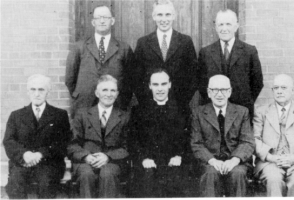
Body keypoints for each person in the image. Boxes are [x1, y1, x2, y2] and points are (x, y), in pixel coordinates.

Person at [3, 74, 71, 199]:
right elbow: (9, 141)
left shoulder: (59, 115)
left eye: (41, 89)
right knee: (15, 183)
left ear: (48, 92)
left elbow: (62, 143)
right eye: (33, 89)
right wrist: (24, 154)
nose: (37, 93)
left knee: (46, 184)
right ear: (28, 92)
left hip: (49, 164)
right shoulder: (16, 115)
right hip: (23, 163)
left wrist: (40, 154)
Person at [253, 74, 294, 196]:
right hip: (270, 162)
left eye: (284, 88)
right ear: (272, 90)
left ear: (292, 90)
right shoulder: (262, 112)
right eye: (276, 88)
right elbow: (254, 139)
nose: (279, 91)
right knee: (273, 179)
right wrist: (271, 157)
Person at [191, 74, 255, 197]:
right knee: (210, 173)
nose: (219, 94)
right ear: (209, 92)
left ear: (230, 92)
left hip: (235, 161)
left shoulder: (242, 112)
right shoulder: (198, 113)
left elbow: (247, 142)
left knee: (238, 174)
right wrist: (212, 160)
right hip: (210, 161)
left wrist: (234, 160)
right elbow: (196, 143)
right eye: (215, 90)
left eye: (224, 90)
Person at [65, 5, 134, 118]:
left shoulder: (124, 48)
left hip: (116, 104)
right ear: (93, 22)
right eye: (98, 18)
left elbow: (131, 80)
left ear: (112, 21)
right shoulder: (79, 47)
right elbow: (70, 78)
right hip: (85, 104)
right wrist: (80, 94)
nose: (102, 21)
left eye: (106, 17)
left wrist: (123, 99)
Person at [67, 75, 129, 198]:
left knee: (107, 174)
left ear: (117, 94)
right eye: (104, 90)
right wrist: (86, 156)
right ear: (97, 93)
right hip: (86, 162)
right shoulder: (83, 114)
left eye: (113, 90)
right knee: (86, 175)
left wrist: (108, 156)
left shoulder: (124, 116)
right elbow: (72, 144)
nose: (109, 94)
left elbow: (127, 147)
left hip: (112, 162)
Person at [133, 0, 197, 118]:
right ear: (153, 17)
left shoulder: (185, 41)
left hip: (179, 107)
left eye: (167, 15)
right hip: (149, 107)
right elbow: (136, 77)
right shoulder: (143, 43)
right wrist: (147, 101)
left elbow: (193, 76)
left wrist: (181, 101)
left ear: (174, 16)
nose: (164, 19)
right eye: (159, 15)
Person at [197, 9, 263, 120]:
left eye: (228, 24)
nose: (224, 28)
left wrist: (244, 102)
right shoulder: (206, 52)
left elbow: (257, 83)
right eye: (221, 24)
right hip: (213, 111)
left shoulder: (249, 51)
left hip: (241, 111)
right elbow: (201, 83)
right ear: (216, 27)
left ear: (236, 26)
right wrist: (215, 101)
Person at [130, 69, 186, 197]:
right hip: (148, 162)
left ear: (170, 85)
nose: (160, 89)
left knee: (176, 179)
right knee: (147, 178)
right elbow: (133, 140)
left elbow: (188, 138)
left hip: (174, 162)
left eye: (163, 84)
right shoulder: (138, 111)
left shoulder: (182, 110)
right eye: (155, 85)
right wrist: (143, 158)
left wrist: (179, 156)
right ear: (150, 86)